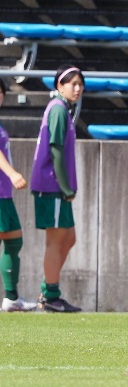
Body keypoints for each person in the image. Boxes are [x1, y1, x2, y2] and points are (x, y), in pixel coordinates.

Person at [31, 64, 85, 313]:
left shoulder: (63, 109)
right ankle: (50, 296)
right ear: (59, 86)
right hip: (52, 186)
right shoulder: (58, 110)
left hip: (58, 188)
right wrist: (66, 187)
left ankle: (47, 289)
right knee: (55, 241)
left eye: (80, 83)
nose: (77, 88)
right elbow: (55, 150)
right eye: (72, 83)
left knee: (69, 238)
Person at [0, 80, 37, 312]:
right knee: (12, 240)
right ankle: (11, 297)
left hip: (4, 194)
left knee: (14, 240)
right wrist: (12, 173)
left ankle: (12, 298)